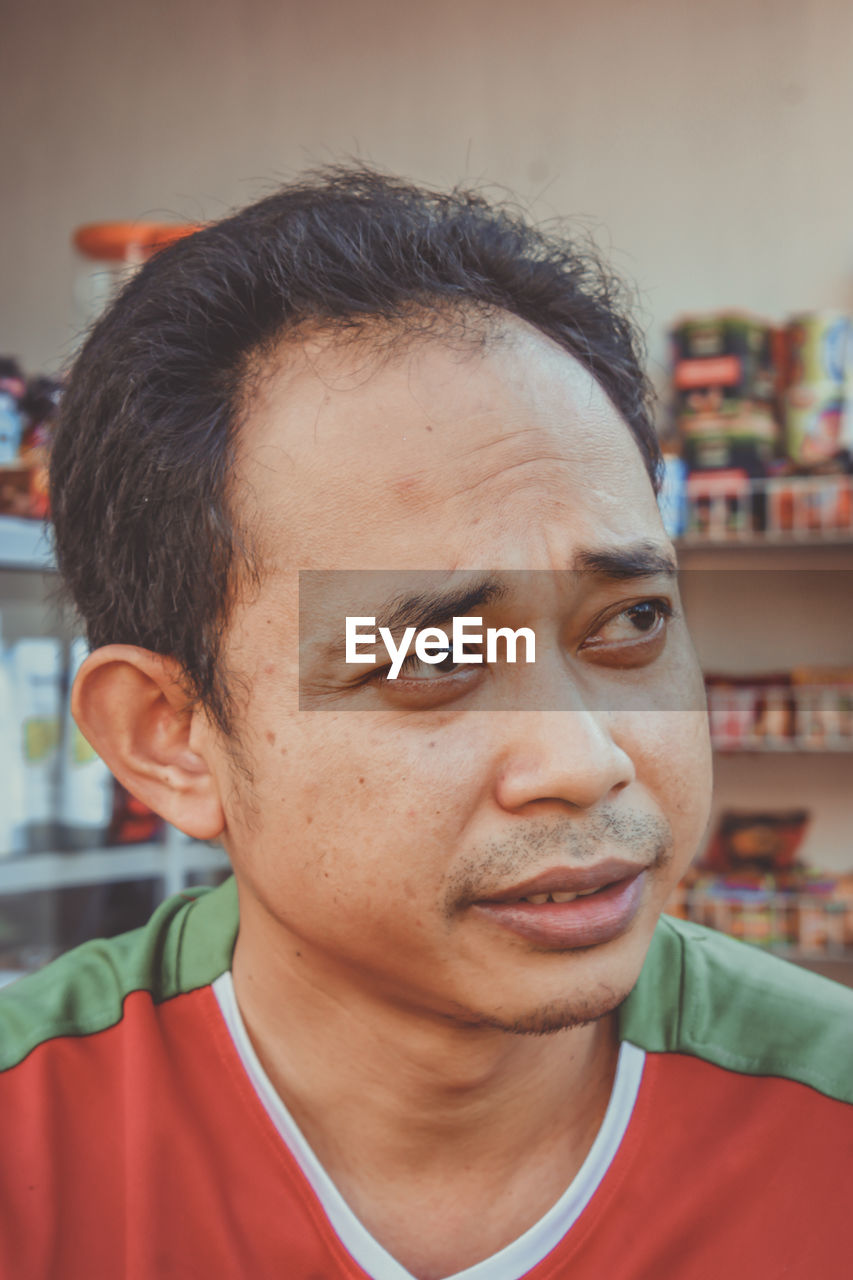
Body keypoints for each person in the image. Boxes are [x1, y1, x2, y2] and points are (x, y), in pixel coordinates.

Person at [1, 168, 850, 1280]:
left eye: (631, 620)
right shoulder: (34, 1151)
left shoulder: (821, 1130)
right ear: (168, 734)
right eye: (438, 654)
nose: (584, 759)